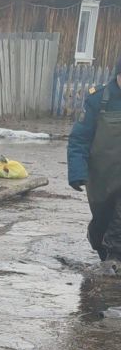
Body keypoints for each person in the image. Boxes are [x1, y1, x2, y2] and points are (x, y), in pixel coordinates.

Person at [68, 58, 121, 275]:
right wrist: (77, 173)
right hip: (102, 177)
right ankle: (100, 244)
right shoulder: (99, 100)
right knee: (102, 221)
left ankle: (115, 258)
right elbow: (79, 139)